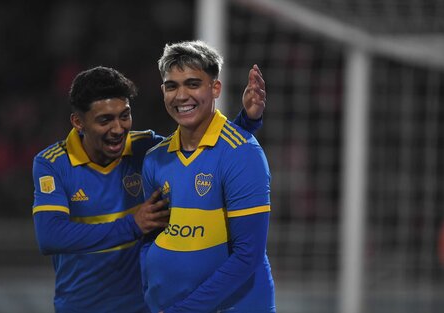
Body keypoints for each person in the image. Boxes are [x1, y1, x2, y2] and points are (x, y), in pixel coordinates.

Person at [32, 64, 267, 313]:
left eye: (124, 116)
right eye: (105, 120)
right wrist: (132, 225)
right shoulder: (53, 163)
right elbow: (50, 236)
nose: (118, 129)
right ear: (78, 122)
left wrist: (246, 122)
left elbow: (203, 151)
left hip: (143, 307)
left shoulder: (145, 148)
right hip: (81, 307)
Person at [141, 40, 275, 312]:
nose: (181, 95)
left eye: (192, 84)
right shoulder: (155, 158)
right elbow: (151, 235)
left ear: (215, 88)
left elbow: (248, 256)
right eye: (172, 86)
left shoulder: (242, 152)